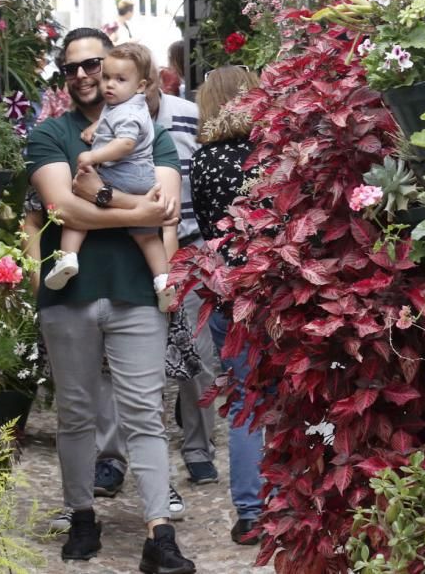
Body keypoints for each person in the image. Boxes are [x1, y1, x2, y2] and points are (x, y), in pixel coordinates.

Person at [25, 27, 196, 572]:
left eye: (91, 64)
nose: (81, 75)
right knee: (74, 414)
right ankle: (81, 516)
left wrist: (100, 198)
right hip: (68, 293)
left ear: (112, 65)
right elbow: (62, 209)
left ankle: (159, 534)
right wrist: (133, 211)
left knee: (144, 414)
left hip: (135, 293)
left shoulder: (150, 130)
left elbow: (165, 207)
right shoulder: (49, 134)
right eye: (69, 68)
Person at [90, 63, 221, 518]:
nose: (111, 86)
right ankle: (114, 459)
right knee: (121, 368)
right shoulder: (106, 120)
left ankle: (198, 450)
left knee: (194, 355)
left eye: (123, 79)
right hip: (130, 240)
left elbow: (197, 176)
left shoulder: (184, 115)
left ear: (147, 82)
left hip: (185, 244)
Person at [190, 65, 265, 546]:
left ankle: (250, 512)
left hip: (225, 293)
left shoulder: (202, 161)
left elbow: (206, 224)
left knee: (244, 403)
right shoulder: (271, 156)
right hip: (274, 287)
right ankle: (291, 502)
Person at [44, 42, 176, 314]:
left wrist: (93, 158)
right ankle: (163, 281)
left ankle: (68, 257)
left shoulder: (128, 113)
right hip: (141, 181)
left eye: (118, 79)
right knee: (147, 236)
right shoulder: (126, 107)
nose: (108, 85)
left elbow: (125, 143)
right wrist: (142, 212)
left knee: (80, 205)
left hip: (121, 172)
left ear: (140, 86)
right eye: (106, 77)